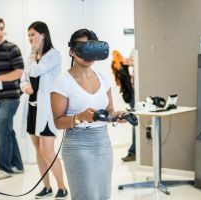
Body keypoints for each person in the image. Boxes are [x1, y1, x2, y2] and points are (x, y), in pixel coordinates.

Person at [51, 29, 126, 200]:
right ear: (72, 51)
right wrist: (79, 117)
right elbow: (58, 122)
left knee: (103, 196)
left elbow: (109, 112)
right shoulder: (62, 83)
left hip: (103, 144)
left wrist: (117, 116)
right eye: (84, 47)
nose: (89, 53)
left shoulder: (103, 78)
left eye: (93, 47)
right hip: (78, 147)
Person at [20, 21, 68, 199]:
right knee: (38, 149)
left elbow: (35, 72)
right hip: (33, 108)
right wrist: (24, 86)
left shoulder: (53, 55)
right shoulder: (31, 57)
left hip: (47, 110)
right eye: (29, 35)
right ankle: (46, 187)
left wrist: (33, 52)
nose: (31, 38)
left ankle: (62, 187)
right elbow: (25, 77)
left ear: (43, 35)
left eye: (34, 34)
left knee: (47, 149)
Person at [0, 17, 24, 179]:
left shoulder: (12, 48)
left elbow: (19, 72)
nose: (0, 32)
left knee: (2, 132)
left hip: (11, 97)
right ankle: (17, 165)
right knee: (7, 131)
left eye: (2, 28)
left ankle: (4, 169)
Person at [111, 50, 136, 162]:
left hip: (135, 95)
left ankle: (133, 152)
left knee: (135, 123)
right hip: (133, 95)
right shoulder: (122, 66)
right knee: (134, 122)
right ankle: (133, 152)